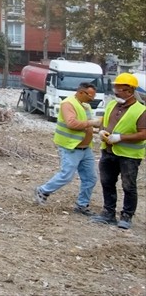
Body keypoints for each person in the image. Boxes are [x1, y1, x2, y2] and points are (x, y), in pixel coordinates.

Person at [34, 82, 101, 213]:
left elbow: (85, 125)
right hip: (71, 147)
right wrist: (92, 122)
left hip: (85, 148)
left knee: (90, 178)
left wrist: (97, 131)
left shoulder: (85, 106)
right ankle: (43, 190)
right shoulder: (68, 104)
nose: (92, 99)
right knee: (66, 175)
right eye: (90, 96)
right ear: (81, 92)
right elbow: (72, 123)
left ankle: (82, 205)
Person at [91, 73, 146, 230]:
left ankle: (127, 216)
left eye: (118, 89)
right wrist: (101, 131)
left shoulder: (140, 110)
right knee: (107, 182)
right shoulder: (111, 105)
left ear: (129, 91)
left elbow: (143, 134)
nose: (115, 91)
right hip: (108, 151)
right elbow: (104, 123)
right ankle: (108, 213)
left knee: (128, 186)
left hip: (129, 156)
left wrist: (120, 137)